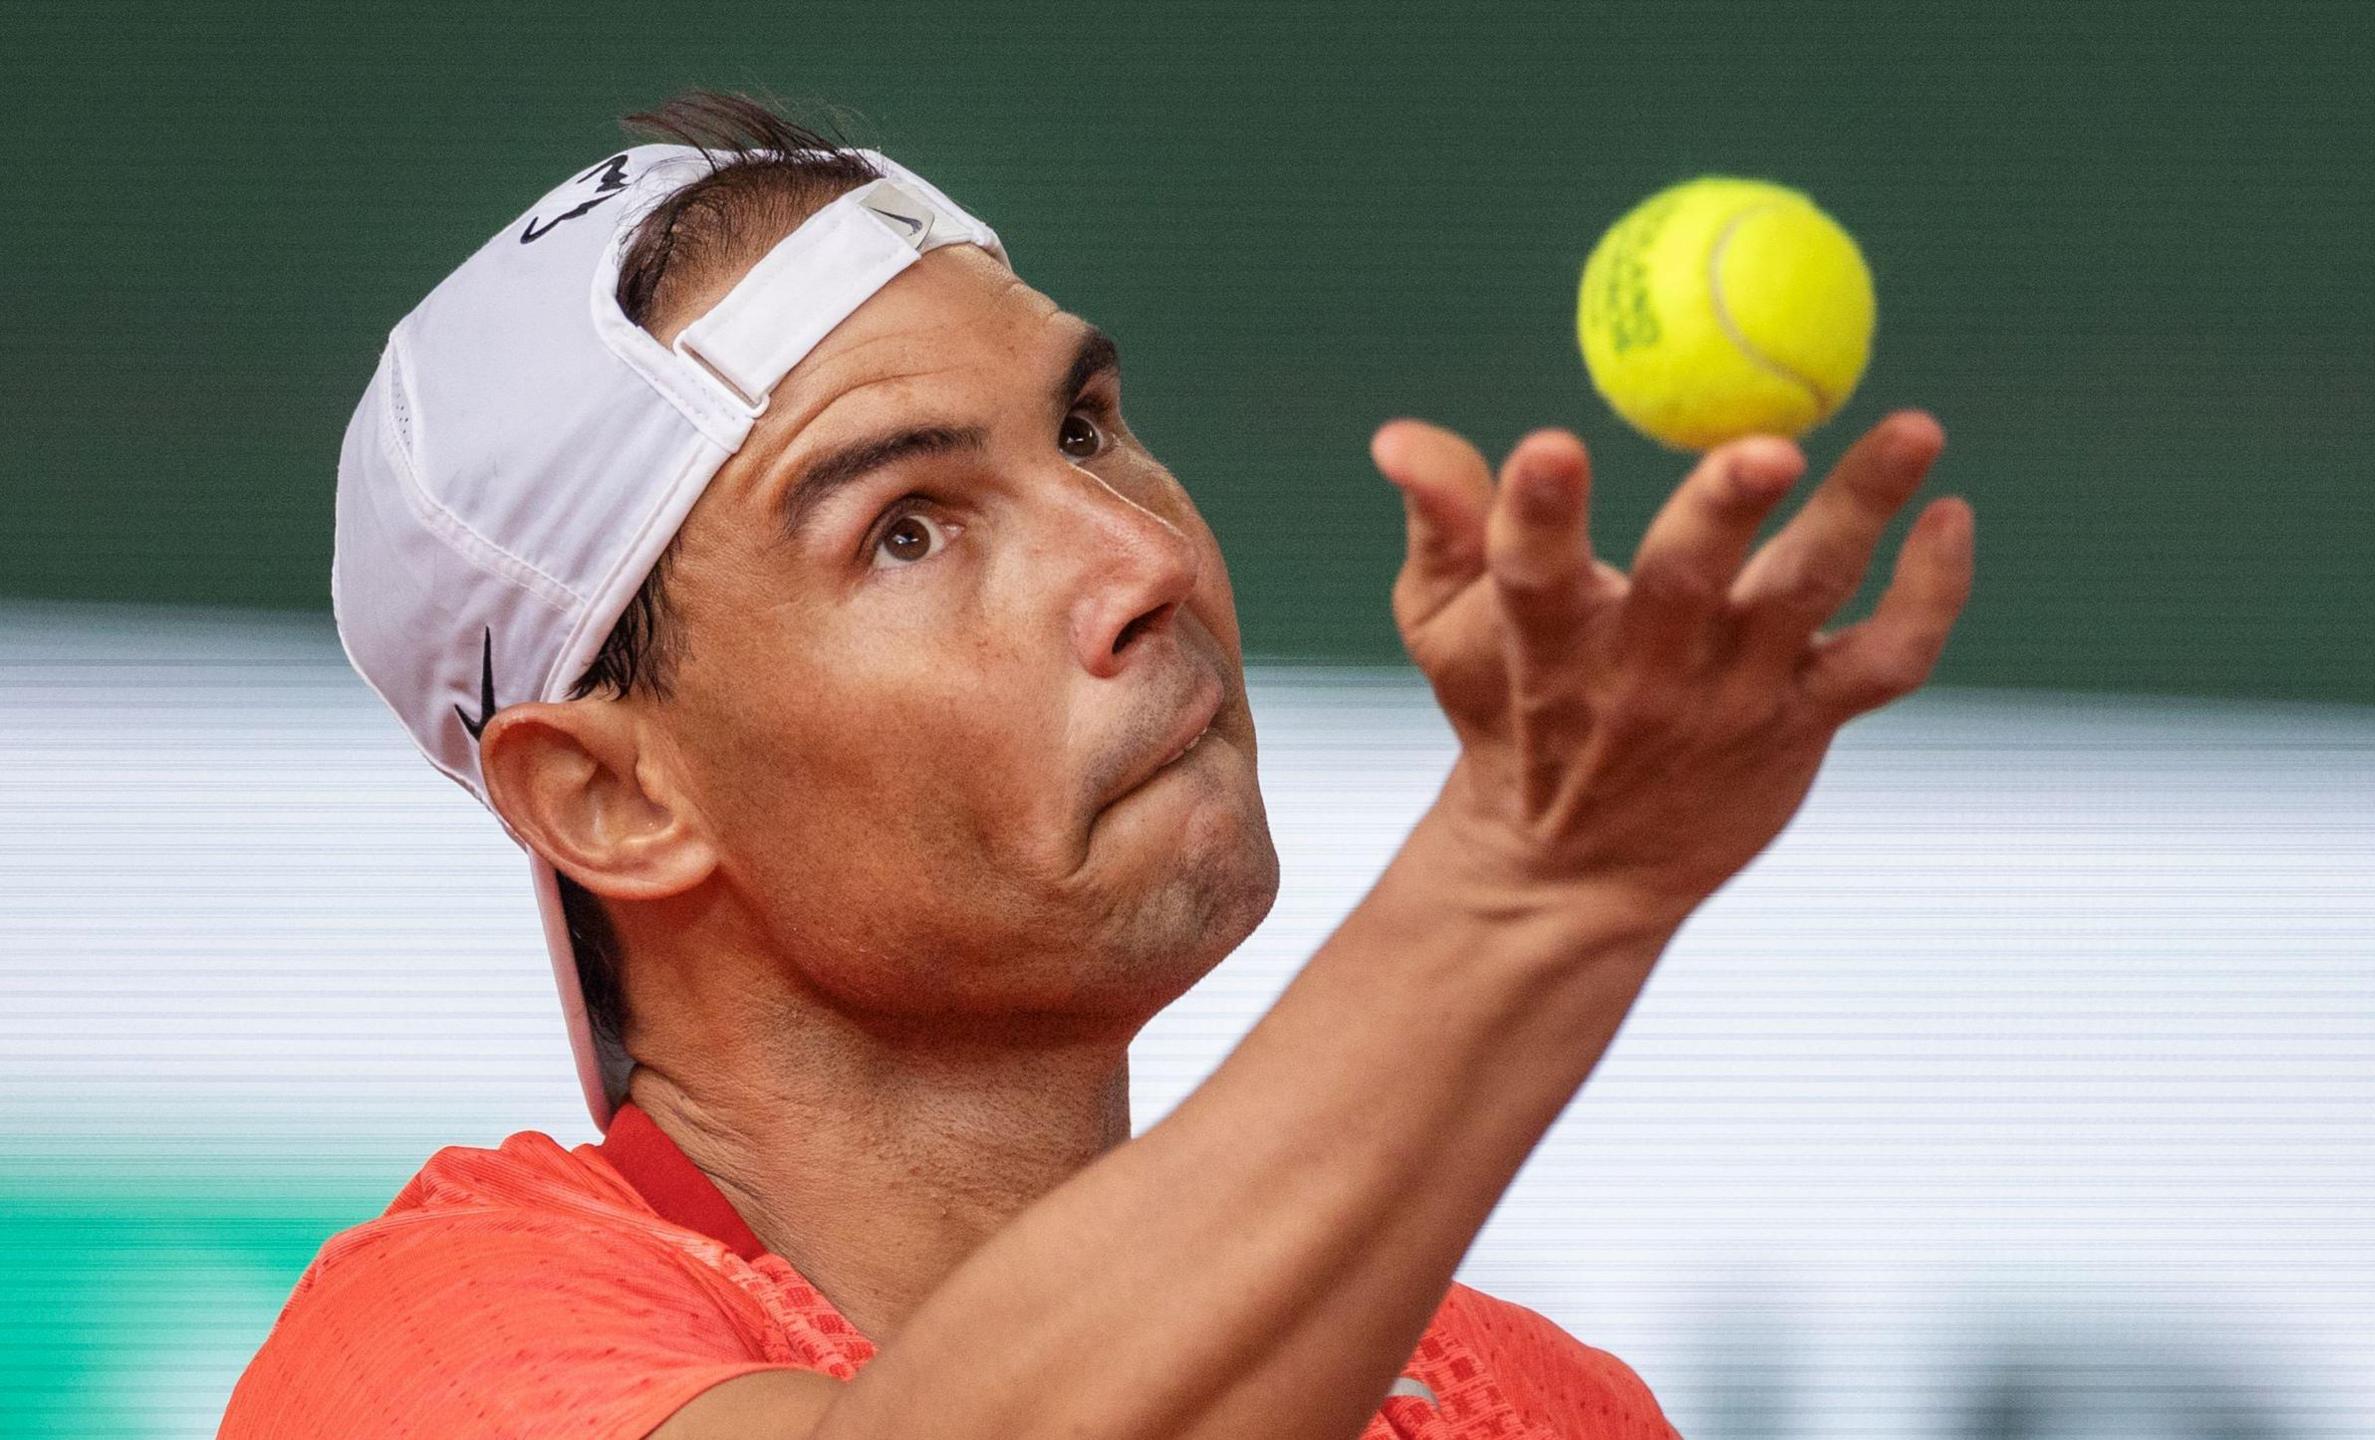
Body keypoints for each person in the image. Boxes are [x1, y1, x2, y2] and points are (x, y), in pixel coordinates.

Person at [219, 92, 1974, 1440]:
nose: (1141, 561)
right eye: (906, 532)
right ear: (615, 798)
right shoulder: (426, 1358)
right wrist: (1531, 889)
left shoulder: (1540, 1406)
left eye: (1085, 429)